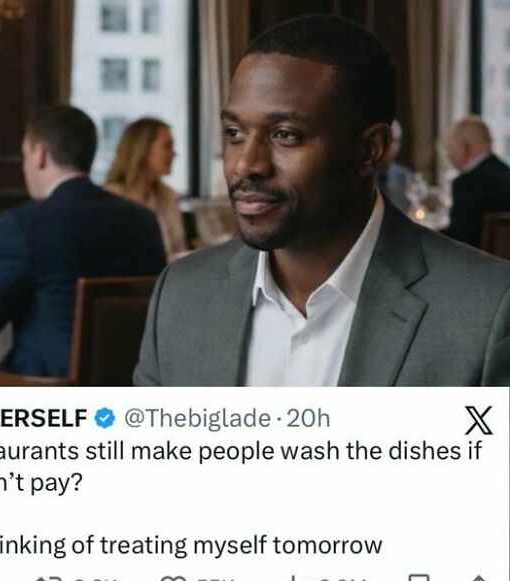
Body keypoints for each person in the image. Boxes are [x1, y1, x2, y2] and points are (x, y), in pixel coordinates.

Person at [135, 15, 510, 387]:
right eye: (234, 133)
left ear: (369, 150)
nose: (246, 164)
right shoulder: (181, 294)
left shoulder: (488, 308)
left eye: (285, 135)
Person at [0, 104, 166, 377]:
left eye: (25, 155)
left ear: (40, 155)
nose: (25, 166)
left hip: (46, 395)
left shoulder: (25, 225)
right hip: (131, 387)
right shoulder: (144, 221)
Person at [106, 118, 187, 258]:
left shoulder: (168, 196)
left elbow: (178, 248)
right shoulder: (110, 198)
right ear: (143, 149)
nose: (174, 153)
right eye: (167, 146)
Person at [442, 116, 510, 248]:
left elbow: (458, 239)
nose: (448, 155)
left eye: (451, 147)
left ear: (464, 145)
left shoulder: (466, 183)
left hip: (475, 264)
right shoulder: (506, 173)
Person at [377, 119, 413, 213]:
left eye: (397, 141)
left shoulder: (405, 175)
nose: (393, 147)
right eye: (390, 140)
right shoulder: (361, 175)